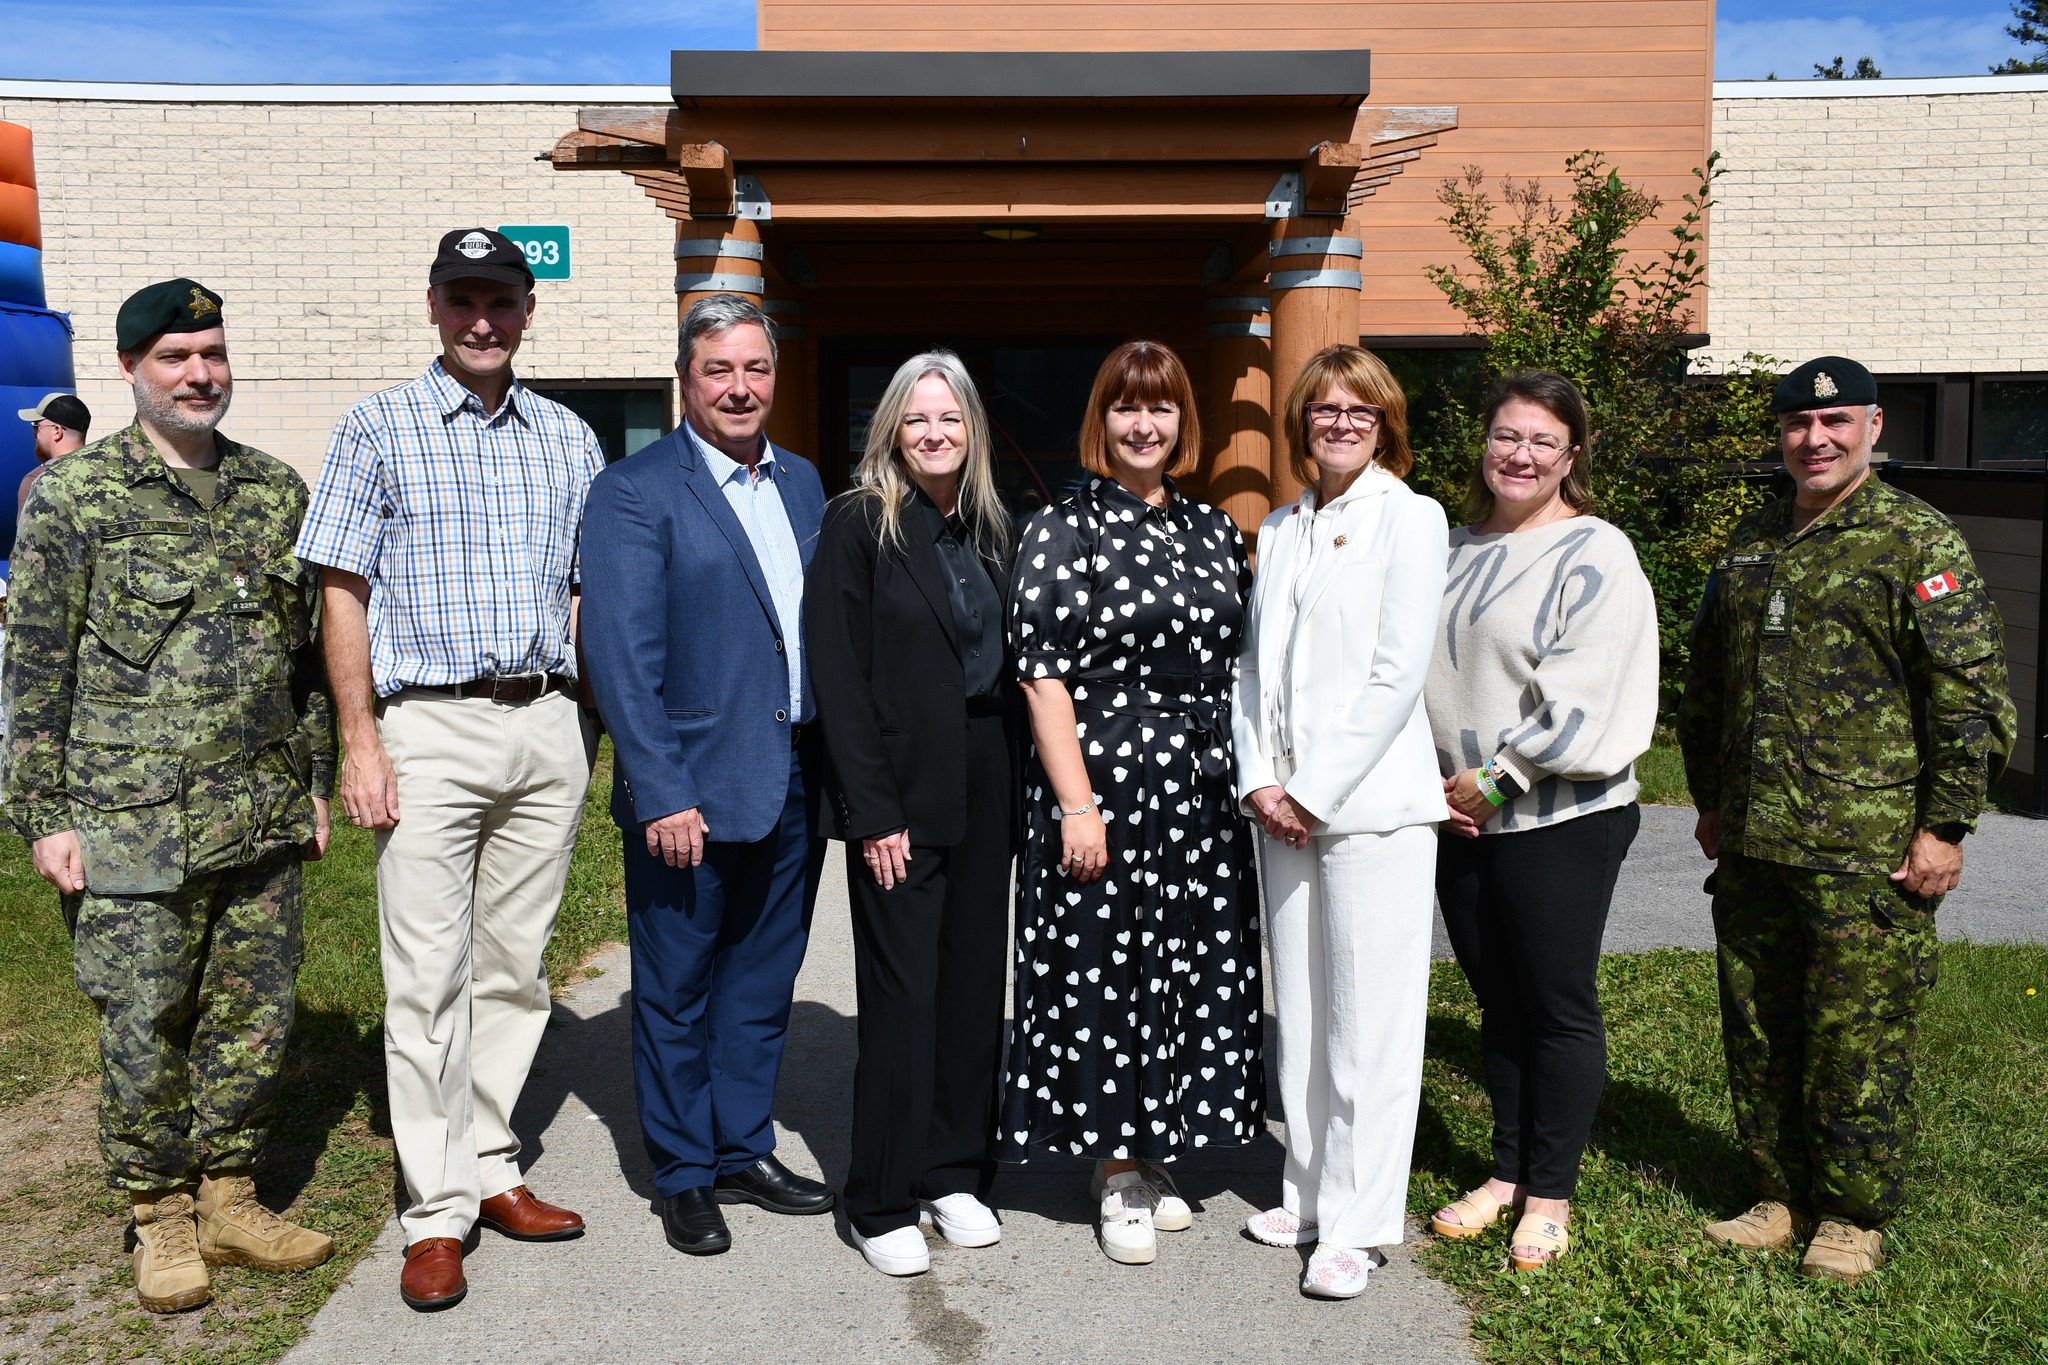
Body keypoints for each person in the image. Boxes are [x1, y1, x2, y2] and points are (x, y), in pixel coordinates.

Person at [2, 279, 336, 1314]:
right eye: (175, 357)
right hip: (128, 815)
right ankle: (160, 1213)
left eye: (212, 353)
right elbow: (34, 665)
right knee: (142, 1018)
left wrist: (316, 783)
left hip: (259, 808)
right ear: (130, 369)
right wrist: (44, 815)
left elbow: (305, 664)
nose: (199, 374)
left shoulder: (272, 490)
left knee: (252, 1011)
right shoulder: (75, 497)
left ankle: (230, 1196)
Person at [296, 230, 603, 1311]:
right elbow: (341, 590)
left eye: (501, 300)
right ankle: (435, 1212)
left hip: (546, 723)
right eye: (463, 299)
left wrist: (588, 723)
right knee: (426, 976)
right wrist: (360, 741)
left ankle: (490, 1160)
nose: (483, 319)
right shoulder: (377, 426)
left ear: (528, 309)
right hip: (426, 726)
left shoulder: (569, 436)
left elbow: (582, 591)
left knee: (514, 968)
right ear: (433, 306)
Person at [1678, 355, 2014, 1284]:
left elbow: (1969, 696)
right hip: (1755, 840)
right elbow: (1709, 677)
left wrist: (1946, 825)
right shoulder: (1752, 538)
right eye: (1797, 424)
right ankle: (1777, 1192)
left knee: (1856, 1035)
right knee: (1759, 1022)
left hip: (1866, 848)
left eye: (1835, 423)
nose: (1814, 439)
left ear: (1872, 426)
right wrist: (1710, 796)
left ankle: (1852, 1213)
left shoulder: (1916, 540)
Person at [999, 340, 1262, 1267]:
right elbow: (1041, 677)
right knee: (1102, 968)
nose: (1143, 424)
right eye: (1126, 407)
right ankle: (1113, 1169)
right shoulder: (1061, 527)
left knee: (1181, 968)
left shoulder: (1213, 529)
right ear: (1100, 421)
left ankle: (1154, 1149)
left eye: (1161, 407)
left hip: (1198, 789)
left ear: (1184, 420)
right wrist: (1077, 805)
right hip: (1102, 782)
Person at [581, 293, 833, 1260]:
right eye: (718, 369)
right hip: (688, 786)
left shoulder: (803, 482)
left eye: (755, 368)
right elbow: (620, 654)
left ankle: (742, 1147)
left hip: (791, 775)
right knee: (678, 987)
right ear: (685, 380)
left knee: (762, 982)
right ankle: (685, 1172)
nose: (739, 387)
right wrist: (661, 787)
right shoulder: (634, 490)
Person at [1421, 371, 1659, 1272]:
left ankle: (1550, 1193)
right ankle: (1506, 1172)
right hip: (1458, 817)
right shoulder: (1449, 548)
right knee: (1499, 1005)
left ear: (1571, 456)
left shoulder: (1595, 552)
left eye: (1542, 442)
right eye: (1506, 435)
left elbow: (1589, 689)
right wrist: (1437, 787)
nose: (1520, 455)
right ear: (1484, 443)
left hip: (1557, 816)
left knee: (1557, 1006)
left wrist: (1499, 777)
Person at [1231, 344, 1450, 1299]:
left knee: (1370, 1021)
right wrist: (1259, 780)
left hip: (1369, 808)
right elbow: (1251, 666)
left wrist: (1311, 790)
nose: (1342, 422)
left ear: (1385, 421)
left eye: (1361, 409)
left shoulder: (1412, 516)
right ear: (1302, 423)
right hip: (1281, 809)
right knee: (1308, 1016)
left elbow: (1397, 672)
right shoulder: (1282, 525)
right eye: (1325, 408)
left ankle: (1359, 1224)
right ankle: (1310, 1190)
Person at [806, 350, 1020, 1277]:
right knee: (903, 998)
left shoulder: (991, 527)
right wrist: (871, 810)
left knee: (973, 989)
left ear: (973, 429)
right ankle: (880, 1195)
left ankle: (952, 1171)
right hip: (899, 788)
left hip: (987, 775)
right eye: (917, 418)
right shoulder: (858, 522)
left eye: (950, 418)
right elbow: (839, 675)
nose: (934, 433)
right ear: (891, 430)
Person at [16, 391, 90, 513]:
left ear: (56, 431)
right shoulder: (110, 470)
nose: (34, 432)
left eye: (36, 426)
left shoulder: (37, 480)